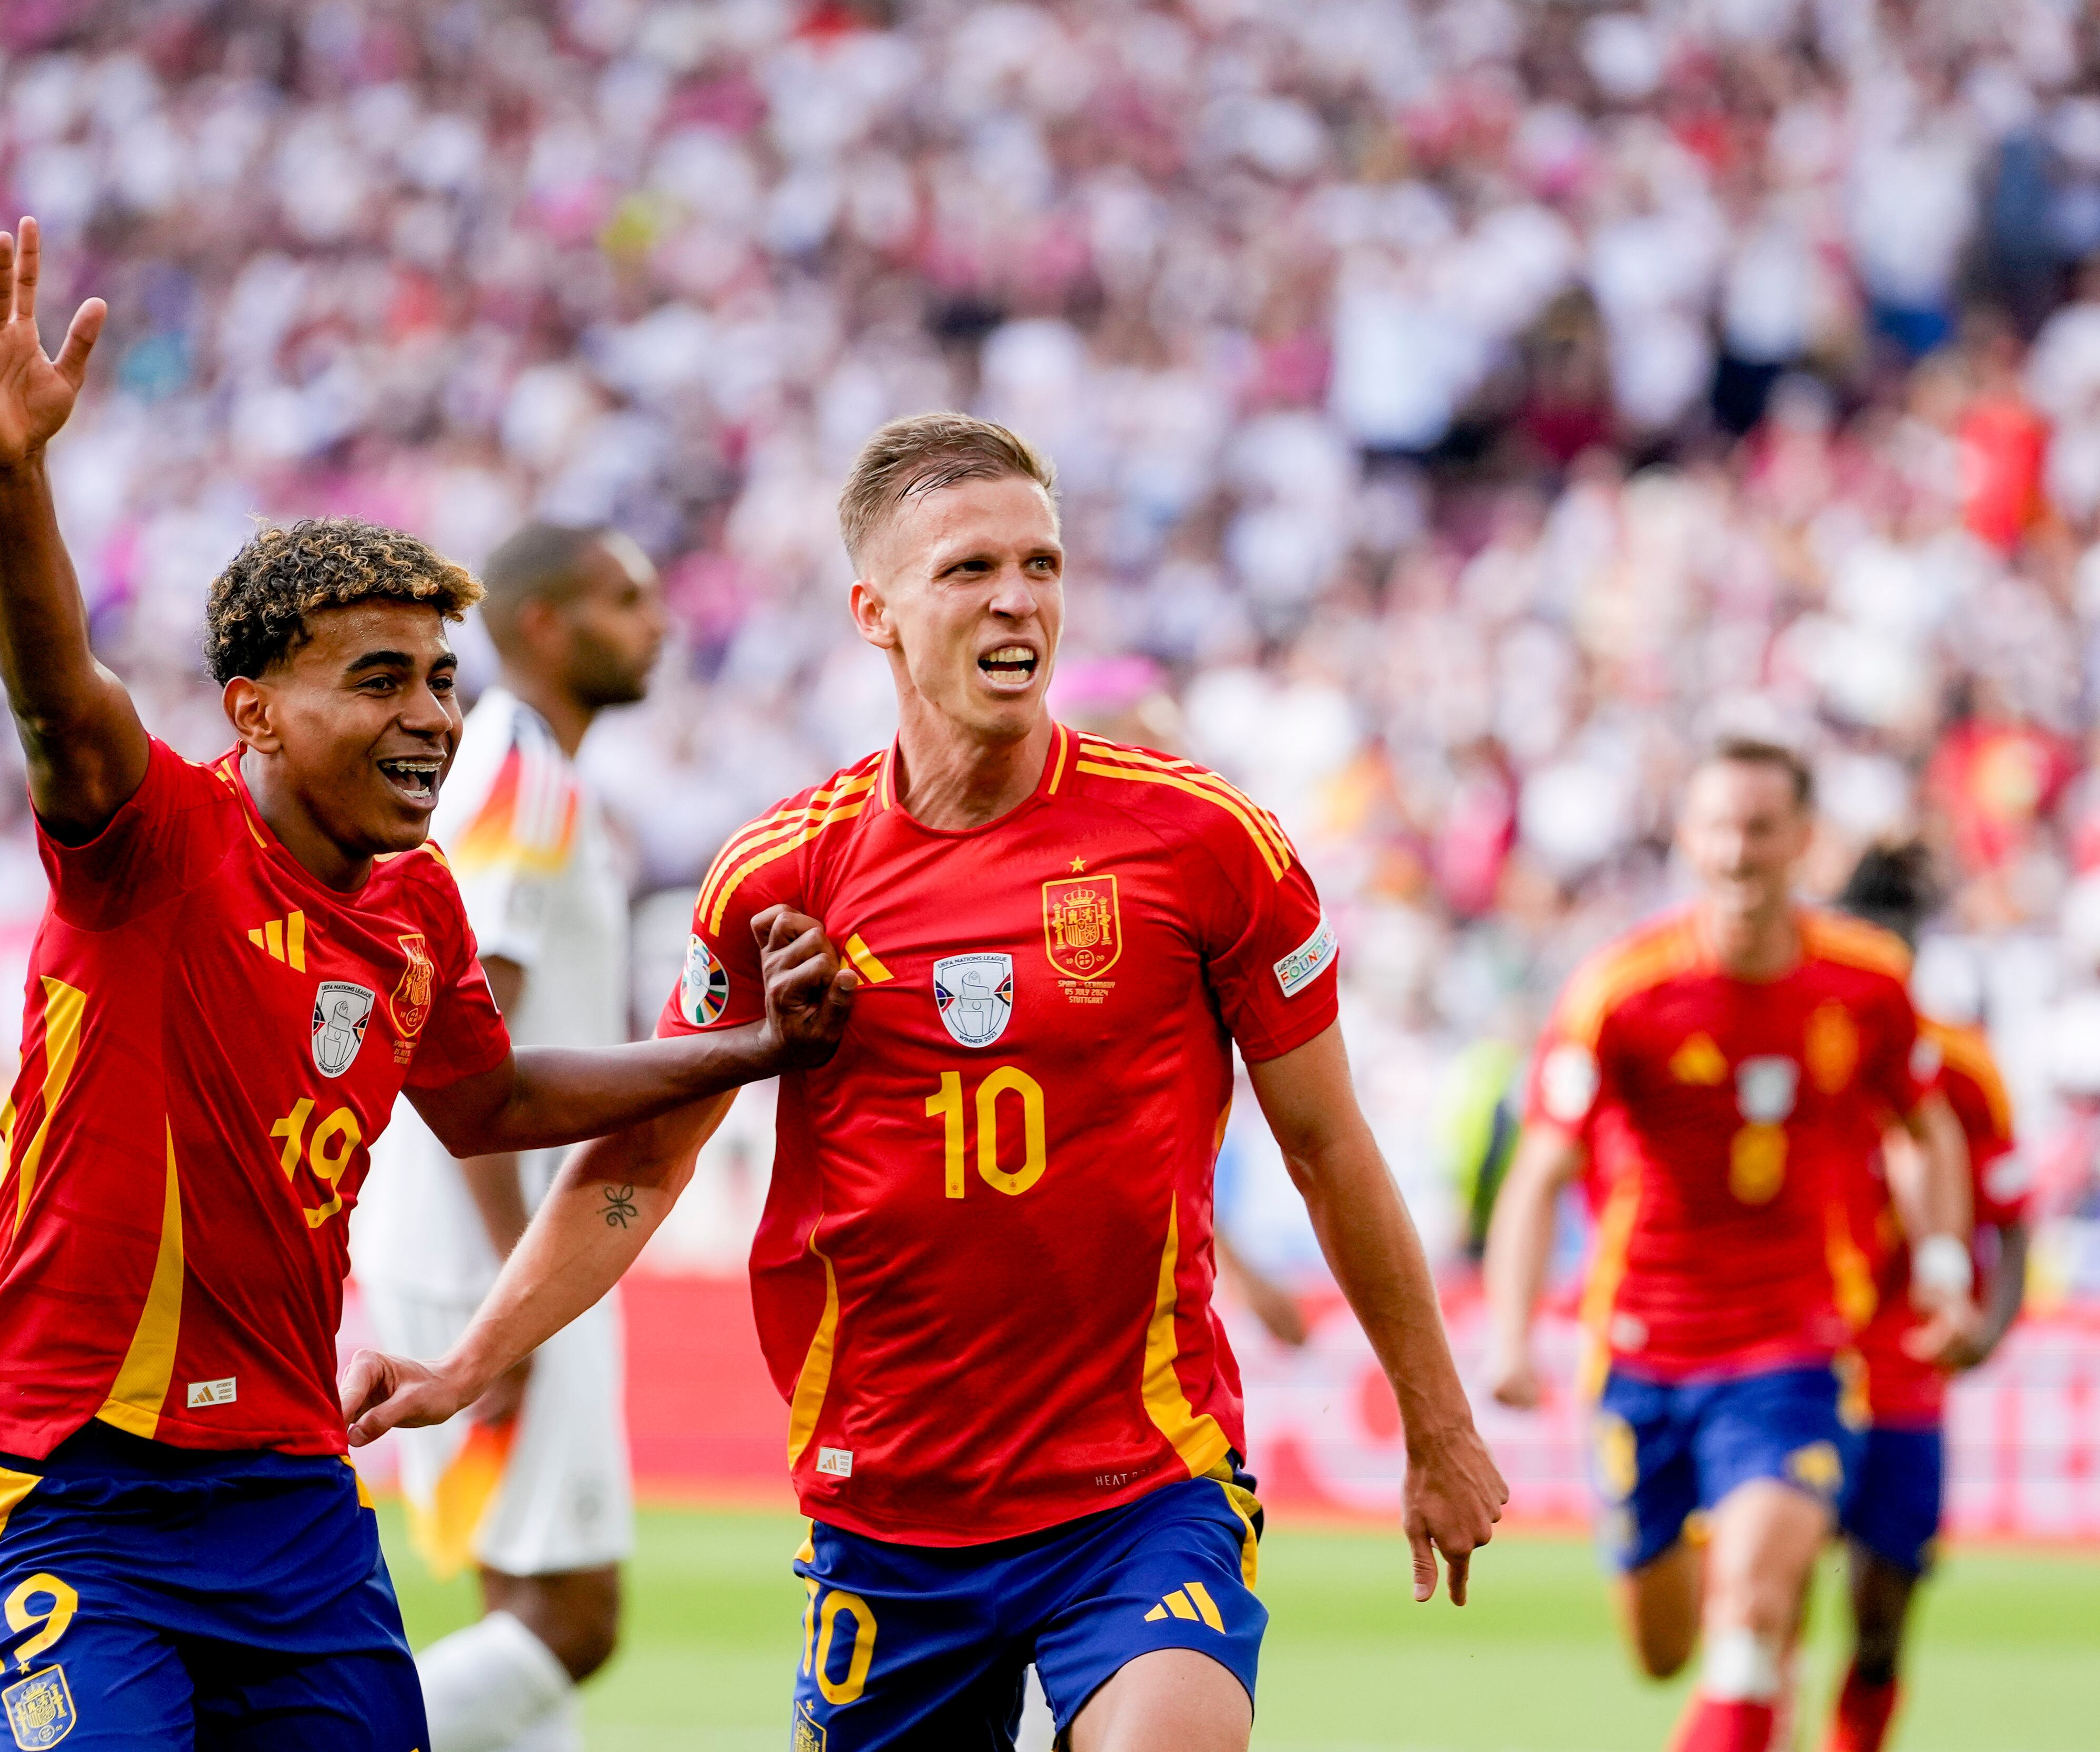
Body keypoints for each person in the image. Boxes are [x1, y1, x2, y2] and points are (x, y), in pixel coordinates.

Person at [345, 412, 1509, 1752]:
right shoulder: (776, 876)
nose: (1018, 596)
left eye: (1042, 563)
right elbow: (642, 1164)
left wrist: (1437, 1420)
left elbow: (1328, 1145)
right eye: (968, 569)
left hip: (1142, 1486)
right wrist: (471, 1356)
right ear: (876, 612)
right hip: (889, 1508)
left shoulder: (1206, 846)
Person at [0, 219, 854, 1752]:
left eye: (440, 677)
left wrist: (752, 1049)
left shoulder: (419, 898)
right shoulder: (156, 838)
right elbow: (55, 695)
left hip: (294, 1488)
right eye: (378, 679)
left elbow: (494, 1100)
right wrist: (13, 474)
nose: (430, 713)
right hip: (75, 1478)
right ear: (258, 711)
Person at [1480, 741, 1982, 1752]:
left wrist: (1942, 1271)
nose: (1737, 851)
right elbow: (1537, 1173)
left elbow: (1926, 1128)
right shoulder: (1621, 991)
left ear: (1803, 840)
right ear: (1686, 839)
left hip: (1792, 1351)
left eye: (1760, 827)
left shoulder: (1868, 984)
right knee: (1664, 1649)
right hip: (1640, 1354)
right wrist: (1508, 1338)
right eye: (1717, 827)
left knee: (1751, 1612)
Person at [348, 521, 666, 1752]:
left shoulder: (531, 772)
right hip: (495, 1236)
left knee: (517, 1595)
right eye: (624, 597)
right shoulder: (520, 775)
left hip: (476, 1232)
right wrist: (514, 1289)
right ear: (546, 626)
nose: (657, 621)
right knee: (574, 1617)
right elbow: (468, 1035)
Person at [1825, 846, 2032, 1752]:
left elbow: (2013, 1211)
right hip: (1798, 1353)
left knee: (1881, 1619)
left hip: (1907, 1366)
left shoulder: (1961, 1061)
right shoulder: (1802, 1038)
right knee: (1768, 1598)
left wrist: (1991, 1324)